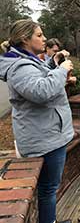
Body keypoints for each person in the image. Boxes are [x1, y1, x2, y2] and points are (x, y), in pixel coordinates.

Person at [0, 19, 74, 223]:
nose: (44, 39)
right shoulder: (18, 66)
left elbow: (39, 75)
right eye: (39, 35)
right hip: (44, 138)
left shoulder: (26, 59)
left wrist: (53, 62)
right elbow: (41, 91)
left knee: (48, 188)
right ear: (25, 39)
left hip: (49, 134)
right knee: (48, 189)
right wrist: (61, 70)